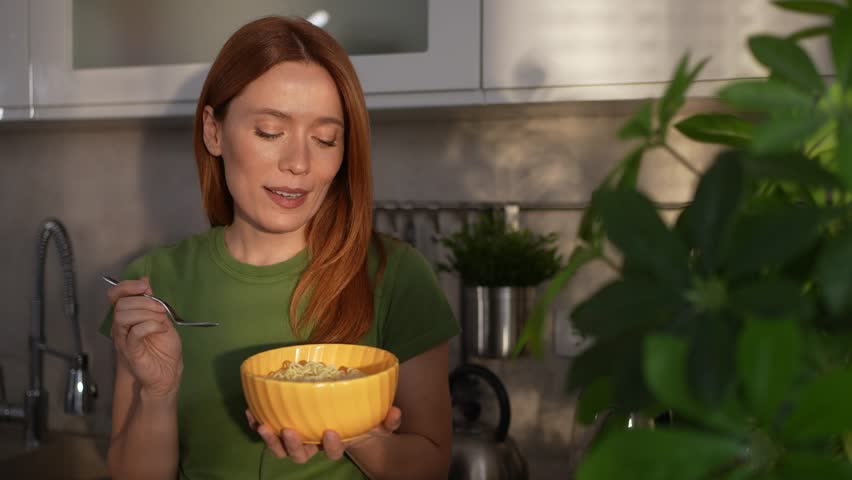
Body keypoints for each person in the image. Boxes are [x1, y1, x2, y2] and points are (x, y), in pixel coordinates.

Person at [99, 16, 459, 480]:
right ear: (214, 132)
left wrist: (353, 430)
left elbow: (431, 465)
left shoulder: (395, 274)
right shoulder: (157, 283)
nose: (299, 163)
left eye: (325, 139)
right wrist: (158, 392)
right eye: (270, 132)